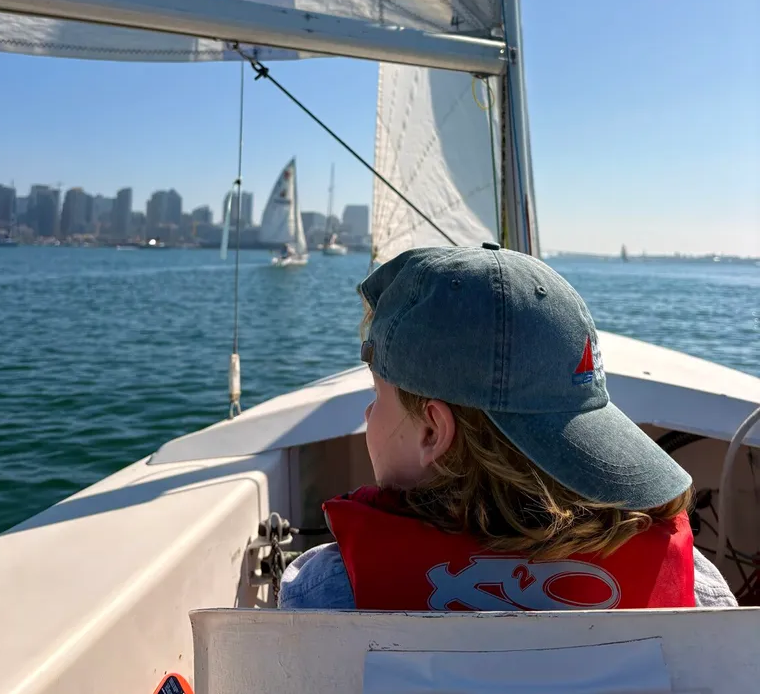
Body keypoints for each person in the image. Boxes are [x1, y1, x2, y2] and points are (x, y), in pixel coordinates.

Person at [279, 245, 736, 610]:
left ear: (432, 431)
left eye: (378, 396)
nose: (366, 415)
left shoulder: (324, 591)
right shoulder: (698, 588)